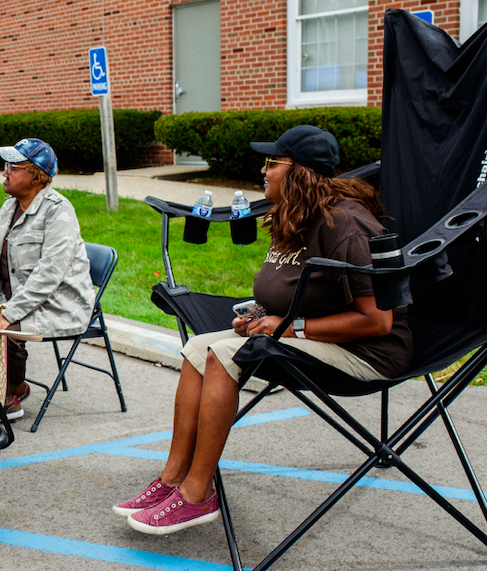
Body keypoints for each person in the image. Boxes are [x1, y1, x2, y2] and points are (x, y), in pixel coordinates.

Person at [115, 125, 413, 535]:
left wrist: (289, 330)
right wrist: (258, 316)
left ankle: (199, 495)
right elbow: (289, 292)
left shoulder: (346, 226)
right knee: (198, 349)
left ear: (299, 172)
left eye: (273, 162)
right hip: (308, 336)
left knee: (224, 355)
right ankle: (172, 480)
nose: (264, 170)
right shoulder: (296, 215)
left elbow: (379, 321)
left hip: (367, 354)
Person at [0, 138, 95, 420]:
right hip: (12, 300)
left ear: (36, 176)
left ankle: (9, 394)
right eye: (6, 166)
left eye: (13, 167)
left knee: (1, 328)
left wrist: (7, 313)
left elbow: (48, 276)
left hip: (56, 305)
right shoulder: (8, 207)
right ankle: (6, 384)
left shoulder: (59, 212)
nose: (5, 173)